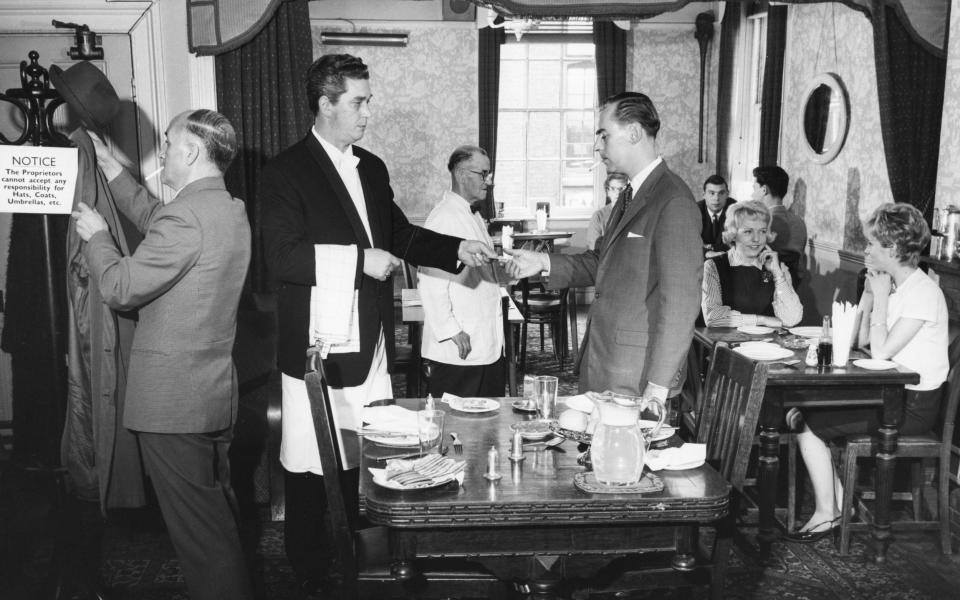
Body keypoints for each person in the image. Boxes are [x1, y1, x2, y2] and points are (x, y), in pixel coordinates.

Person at [260, 54, 495, 597]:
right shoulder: (284, 171)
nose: (368, 113)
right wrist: (357, 259)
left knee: (365, 453)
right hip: (318, 346)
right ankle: (311, 568)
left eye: (368, 101)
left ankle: (363, 553)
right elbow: (281, 257)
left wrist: (456, 246)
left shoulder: (371, 167)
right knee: (309, 461)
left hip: (371, 341)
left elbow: (400, 233)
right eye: (358, 102)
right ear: (325, 103)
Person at [72, 109, 253, 599]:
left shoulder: (188, 217)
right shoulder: (225, 208)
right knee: (217, 525)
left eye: (170, 143)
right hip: (210, 398)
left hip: (174, 409)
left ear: (191, 151)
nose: (165, 152)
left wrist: (99, 239)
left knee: (202, 542)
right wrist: (114, 170)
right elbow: (161, 221)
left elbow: (119, 286)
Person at [505, 91, 702, 403]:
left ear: (634, 133)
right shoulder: (629, 195)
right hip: (607, 360)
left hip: (638, 374)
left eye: (604, 135)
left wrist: (660, 384)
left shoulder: (672, 199)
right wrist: (543, 262)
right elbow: (604, 263)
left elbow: (681, 301)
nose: (597, 146)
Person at [786, 203, 948, 542]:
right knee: (801, 414)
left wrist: (882, 302)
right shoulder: (898, 286)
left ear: (892, 248)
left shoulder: (923, 292)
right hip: (891, 396)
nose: (867, 249)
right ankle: (838, 504)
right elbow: (860, 340)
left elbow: (882, 351)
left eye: (873, 243)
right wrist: (869, 297)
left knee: (805, 422)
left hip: (913, 407)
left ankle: (828, 512)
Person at [418, 145, 506, 397]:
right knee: (456, 425)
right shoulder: (444, 217)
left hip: (483, 342)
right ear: (460, 173)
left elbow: (480, 272)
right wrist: (450, 329)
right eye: (483, 174)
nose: (488, 181)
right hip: (459, 346)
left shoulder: (472, 215)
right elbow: (430, 281)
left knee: (486, 420)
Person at [700, 200, 802, 328]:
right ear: (733, 234)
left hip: (768, 345)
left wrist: (777, 275)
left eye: (762, 231)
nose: (756, 239)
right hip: (727, 343)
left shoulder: (778, 267)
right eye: (748, 232)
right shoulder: (713, 266)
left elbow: (792, 319)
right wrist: (762, 320)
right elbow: (713, 318)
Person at [752, 165, 807, 277]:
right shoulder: (800, 223)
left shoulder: (760, 223)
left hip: (764, 285)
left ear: (764, 190)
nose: (752, 194)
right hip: (791, 286)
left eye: (754, 189)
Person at [585, 172, 628, 250]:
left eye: (621, 189)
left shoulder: (635, 213)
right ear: (608, 191)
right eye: (613, 189)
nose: (617, 193)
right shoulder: (598, 216)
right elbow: (593, 246)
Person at [698, 173, 737, 258]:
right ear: (704, 195)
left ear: (727, 194)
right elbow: (689, 242)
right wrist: (706, 252)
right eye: (712, 193)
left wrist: (710, 247)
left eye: (721, 193)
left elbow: (739, 243)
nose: (716, 198)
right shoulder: (695, 210)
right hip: (701, 260)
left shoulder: (736, 210)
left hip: (728, 260)